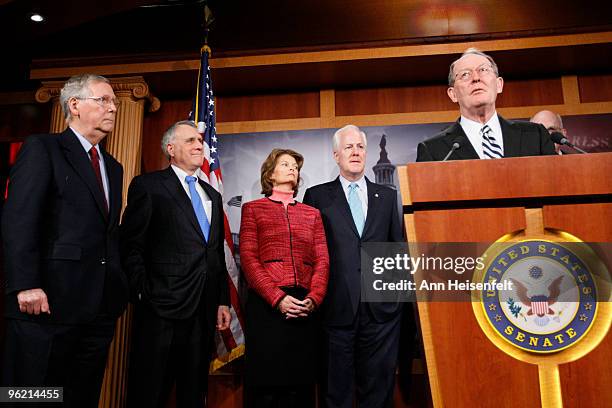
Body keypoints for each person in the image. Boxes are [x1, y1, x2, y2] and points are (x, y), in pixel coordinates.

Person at [1, 74, 129, 406]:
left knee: (79, 398)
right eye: (104, 100)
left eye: (114, 102)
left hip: (97, 311)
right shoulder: (43, 148)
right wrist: (25, 283)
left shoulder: (113, 167)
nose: (113, 108)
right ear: (74, 105)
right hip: (46, 306)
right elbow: (19, 219)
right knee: (33, 397)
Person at [120, 120, 231, 407]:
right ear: (171, 148)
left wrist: (221, 301)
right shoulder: (150, 186)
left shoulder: (213, 196)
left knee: (193, 392)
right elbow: (131, 244)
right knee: (150, 389)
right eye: (191, 141)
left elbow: (215, 254)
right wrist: (144, 291)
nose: (199, 145)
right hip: (161, 308)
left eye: (200, 141)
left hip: (203, 310)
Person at [303, 125, 403, 408]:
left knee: (379, 391)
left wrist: (395, 300)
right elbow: (310, 254)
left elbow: (396, 248)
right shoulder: (316, 196)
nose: (355, 152)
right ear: (336, 155)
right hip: (336, 309)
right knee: (337, 392)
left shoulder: (386, 196)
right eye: (349, 147)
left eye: (360, 146)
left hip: (381, 312)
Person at [239, 148, 329, 408]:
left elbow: (323, 260)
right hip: (267, 307)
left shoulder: (312, 214)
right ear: (270, 173)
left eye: (295, 166)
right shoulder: (253, 209)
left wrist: (314, 298)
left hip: (304, 307)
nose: (292, 169)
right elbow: (248, 259)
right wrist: (278, 299)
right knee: (266, 389)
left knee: (300, 388)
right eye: (285, 164)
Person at [417, 48, 556, 161]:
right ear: (453, 94)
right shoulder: (432, 150)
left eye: (483, 70)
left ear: (499, 84)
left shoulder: (535, 135)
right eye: (465, 74)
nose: (476, 78)